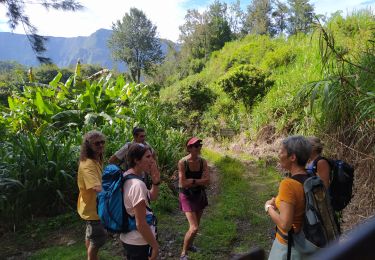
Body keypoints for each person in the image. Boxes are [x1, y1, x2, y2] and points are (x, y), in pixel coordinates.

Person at [265, 135, 313, 260]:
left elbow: (285, 224)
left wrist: (269, 207)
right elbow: (299, 200)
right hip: (308, 243)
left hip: (289, 248)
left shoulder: (288, 184)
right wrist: (277, 200)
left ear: (292, 157)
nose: (279, 155)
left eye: (281, 152)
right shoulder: (311, 177)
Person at [120, 143, 160, 260]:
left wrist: (155, 182)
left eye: (152, 156)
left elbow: (151, 197)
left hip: (130, 238)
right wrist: (155, 246)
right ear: (136, 160)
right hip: (139, 241)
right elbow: (141, 223)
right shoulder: (137, 184)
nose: (152, 161)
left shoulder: (128, 176)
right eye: (148, 157)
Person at [77, 130, 107, 260]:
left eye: (102, 142)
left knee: (91, 236)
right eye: (97, 143)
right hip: (93, 210)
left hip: (90, 206)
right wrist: (117, 194)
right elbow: (97, 187)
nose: (100, 145)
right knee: (99, 238)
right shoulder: (88, 164)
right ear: (88, 145)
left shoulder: (95, 159)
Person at [178, 137, 210, 260]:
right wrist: (198, 182)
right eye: (195, 146)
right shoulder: (183, 162)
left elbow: (207, 181)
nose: (198, 148)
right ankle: (183, 253)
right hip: (186, 195)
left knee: (197, 225)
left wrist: (193, 181)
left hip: (199, 194)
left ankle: (190, 245)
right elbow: (183, 183)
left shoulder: (203, 162)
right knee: (194, 227)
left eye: (199, 145)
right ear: (189, 148)